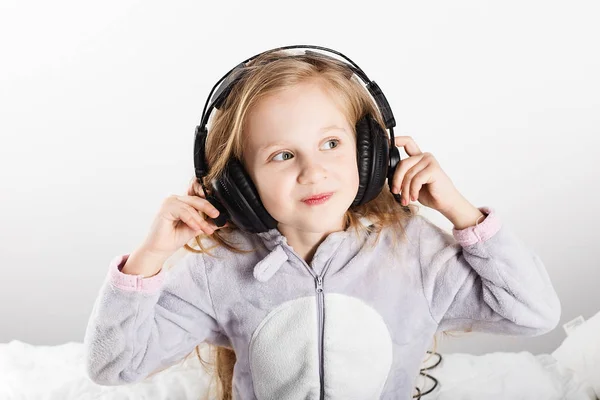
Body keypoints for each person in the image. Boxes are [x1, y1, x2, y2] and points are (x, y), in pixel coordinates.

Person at [83, 46, 561, 400]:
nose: (313, 171)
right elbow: (113, 365)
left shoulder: (413, 251)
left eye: (331, 143)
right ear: (236, 182)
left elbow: (533, 313)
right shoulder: (219, 269)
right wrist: (147, 262)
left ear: (372, 154)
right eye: (282, 155)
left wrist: (463, 214)